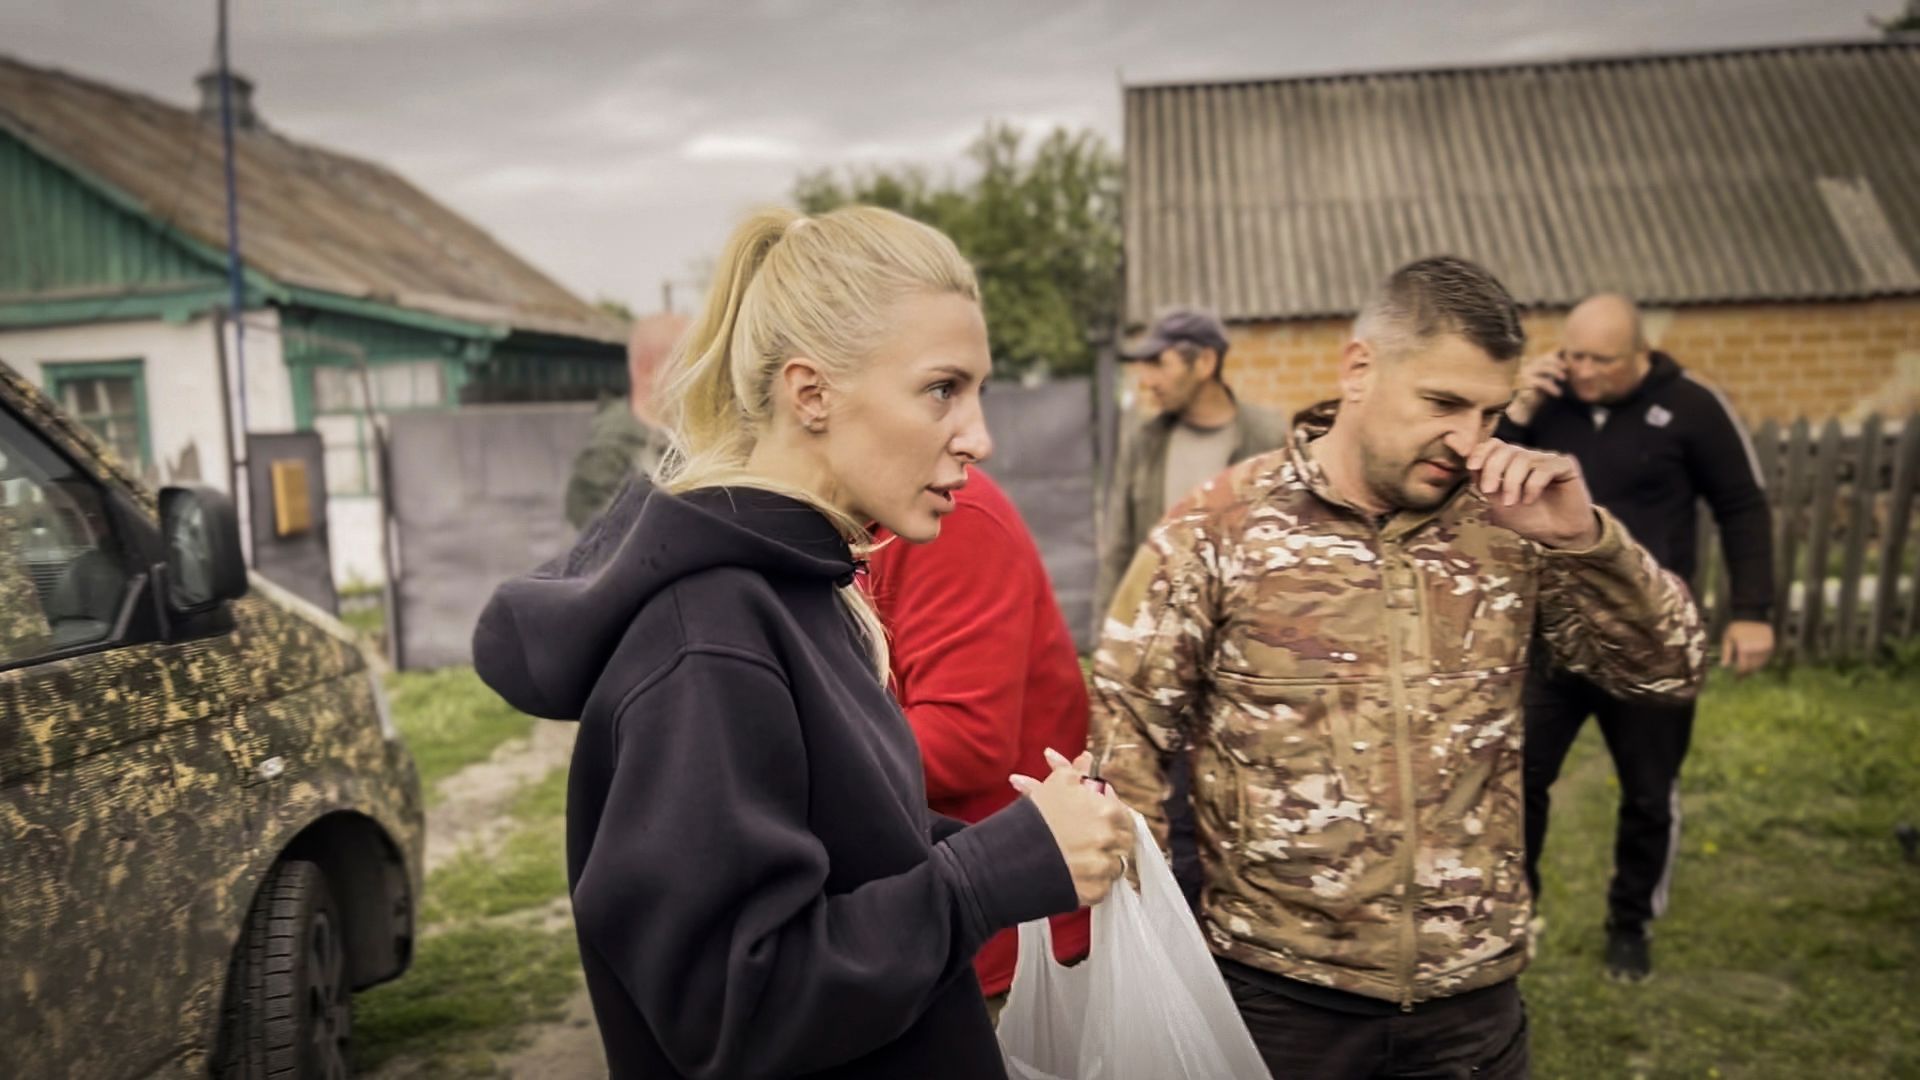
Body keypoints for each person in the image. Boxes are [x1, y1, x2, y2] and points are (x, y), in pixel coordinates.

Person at [472, 205, 1133, 1080]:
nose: (980, 435)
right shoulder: (708, 639)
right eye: (943, 389)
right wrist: (986, 875)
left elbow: (834, 843)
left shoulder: (808, 589)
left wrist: (1023, 838)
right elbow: (735, 1008)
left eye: (977, 391)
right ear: (811, 392)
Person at [1089, 256, 1707, 1078]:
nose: (1469, 440)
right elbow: (1126, 729)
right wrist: (1150, 943)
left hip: (1473, 1000)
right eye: (1443, 403)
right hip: (1279, 997)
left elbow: (1668, 671)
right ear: (1359, 368)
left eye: (1491, 412)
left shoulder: (1512, 526)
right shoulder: (1220, 526)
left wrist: (1588, 541)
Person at [1500, 293, 1775, 982]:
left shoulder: (1691, 406)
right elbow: (1478, 482)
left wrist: (1754, 610)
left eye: (1600, 358)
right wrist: (1516, 413)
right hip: (1554, 639)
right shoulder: (1544, 404)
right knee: (1518, 779)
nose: (1582, 370)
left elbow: (1742, 504)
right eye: (1573, 354)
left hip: (1648, 641)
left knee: (1650, 792)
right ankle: (1513, 911)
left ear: (1640, 354)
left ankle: (1630, 923)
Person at [863, 467, 1093, 1020]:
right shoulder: (840, 514)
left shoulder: (945, 512)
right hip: (910, 921)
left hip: (997, 947)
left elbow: (965, 740)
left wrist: (789, 757)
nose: (975, 438)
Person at [1096, 307, 1288, 905]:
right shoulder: (1145, 443)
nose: (1146, 377)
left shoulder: (1269, 435)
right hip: (1163, 656)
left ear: (1205, 362)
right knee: (1168, 804)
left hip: (1249, 657)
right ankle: (1179, 929)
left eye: (1158, 362)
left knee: (1249, 801)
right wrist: (1113, 644)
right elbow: (1120, 547)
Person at [564, 311, 688, 529]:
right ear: (648, 369)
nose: (704, 374)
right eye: (688, 361)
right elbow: (598, 543)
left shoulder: (686, 433)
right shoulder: (611, 450)